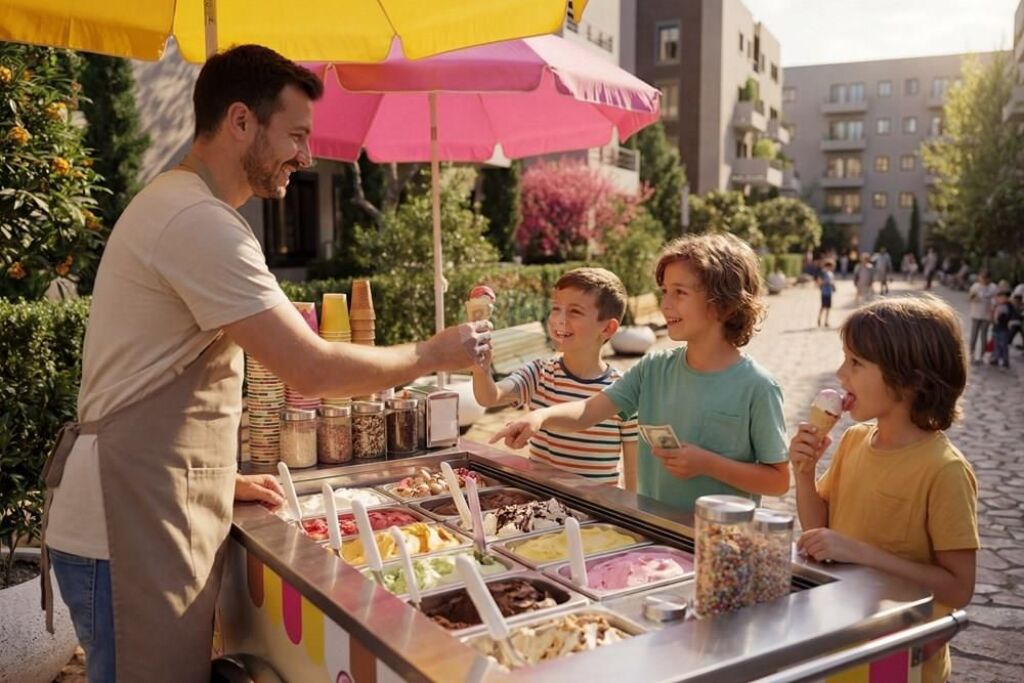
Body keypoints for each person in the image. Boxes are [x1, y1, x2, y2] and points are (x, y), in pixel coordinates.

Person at [40, 45, 491, 683]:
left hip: (144, 506)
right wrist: (431, 353)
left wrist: (214, 480)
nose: (306, 156)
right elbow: (311, 368)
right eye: (296, 135)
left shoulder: (183, 205)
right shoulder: (197, 220)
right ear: (241, 121)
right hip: (127, 525)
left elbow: (151, 379)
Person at [489, 234, 790, 511]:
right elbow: (588, 411)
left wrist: (707, 464)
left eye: (679, 292)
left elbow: (778, 481)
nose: (665, 304)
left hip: (722, 542)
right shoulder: (652, 369)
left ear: (724, 304)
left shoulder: (758, 386)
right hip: (655, 534)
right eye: (664, 291)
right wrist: (539, 417)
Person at [789, 296, 977, 683]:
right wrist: (804, 473)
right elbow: (819, 530)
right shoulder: (855, 440)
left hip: (902, 660)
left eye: (856, 363)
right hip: (845, 641)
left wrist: (860, 552)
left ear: (911, 380)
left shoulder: (945, 470)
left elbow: (959, 588)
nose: (840, 373)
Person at [471, 267, 639, 490]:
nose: (560, 319)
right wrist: (480, 368)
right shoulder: (539, 373)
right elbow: (489, 397)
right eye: (556, 308)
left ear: (608, 328)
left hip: (594, 508)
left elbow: (634, 475)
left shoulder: (624, 390)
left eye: (575, 312)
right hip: (540, 502)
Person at [967, 270, 996, 364]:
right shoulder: (975, 286)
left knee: (984, 335)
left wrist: (993, 314)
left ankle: (982, 355)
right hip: (976, 314)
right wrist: (973, 297)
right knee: (974, 335)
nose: (983, 280)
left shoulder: (993, 288)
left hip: (986, 315)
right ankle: (971, 353)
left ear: (989, 278)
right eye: (982, 278)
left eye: (985, 278)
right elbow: (970, 298)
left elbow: (995, 301)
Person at [990, 286, 1017, 369]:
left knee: (1003, 345)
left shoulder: (1008, 306)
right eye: (999, 297)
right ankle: (996, 358)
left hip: (1003, 329)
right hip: (996, 328)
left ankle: (1005, 361)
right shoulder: (997, 305)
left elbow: (1009, 317)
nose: (1000, 299)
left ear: (1006, 298)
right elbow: (993, 316)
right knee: (996, 345)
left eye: (1002, 297)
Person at [816, 260, 837, 328]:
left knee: (828, 307)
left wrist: (833, 285)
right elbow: (819, 282)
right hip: (824, 292)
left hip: (829, 292)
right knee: (823, 306)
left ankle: (826, 321)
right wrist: (826, 282)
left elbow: (833, 281)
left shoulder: (831, 274)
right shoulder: (822, 273)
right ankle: (819, 319)